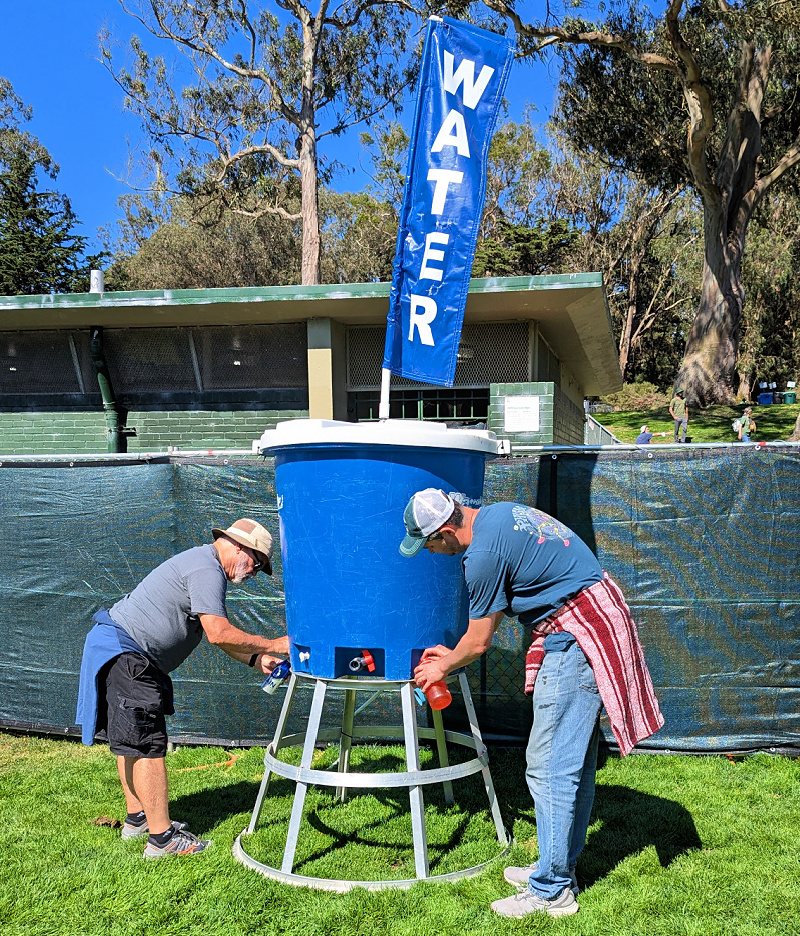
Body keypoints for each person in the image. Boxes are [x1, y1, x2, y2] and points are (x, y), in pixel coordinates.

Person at [399, 489, 663, 919]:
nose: (433, 552)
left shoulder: (480, 557)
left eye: (430, 543)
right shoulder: (499, 514)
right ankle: (557, 866)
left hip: (576, 635)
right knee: (572, 763)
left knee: (549, 767)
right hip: (593, 617)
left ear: (446, 531)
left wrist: (441, 667)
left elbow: (479, 641)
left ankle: (551, 890)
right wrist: (448, 658)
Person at [76, 518, 290, 859]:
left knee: (132, 742)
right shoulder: (207, 570)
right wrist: (276, 645)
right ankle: (162, 841)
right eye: (256, 563)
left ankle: (138, 820)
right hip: (129, 654)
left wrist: (255, 659)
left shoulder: (203, 562)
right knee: (146, 744)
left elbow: (211, 633)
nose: (254, 572)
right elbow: (219, 632)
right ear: (238, 547)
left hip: (121, 650)